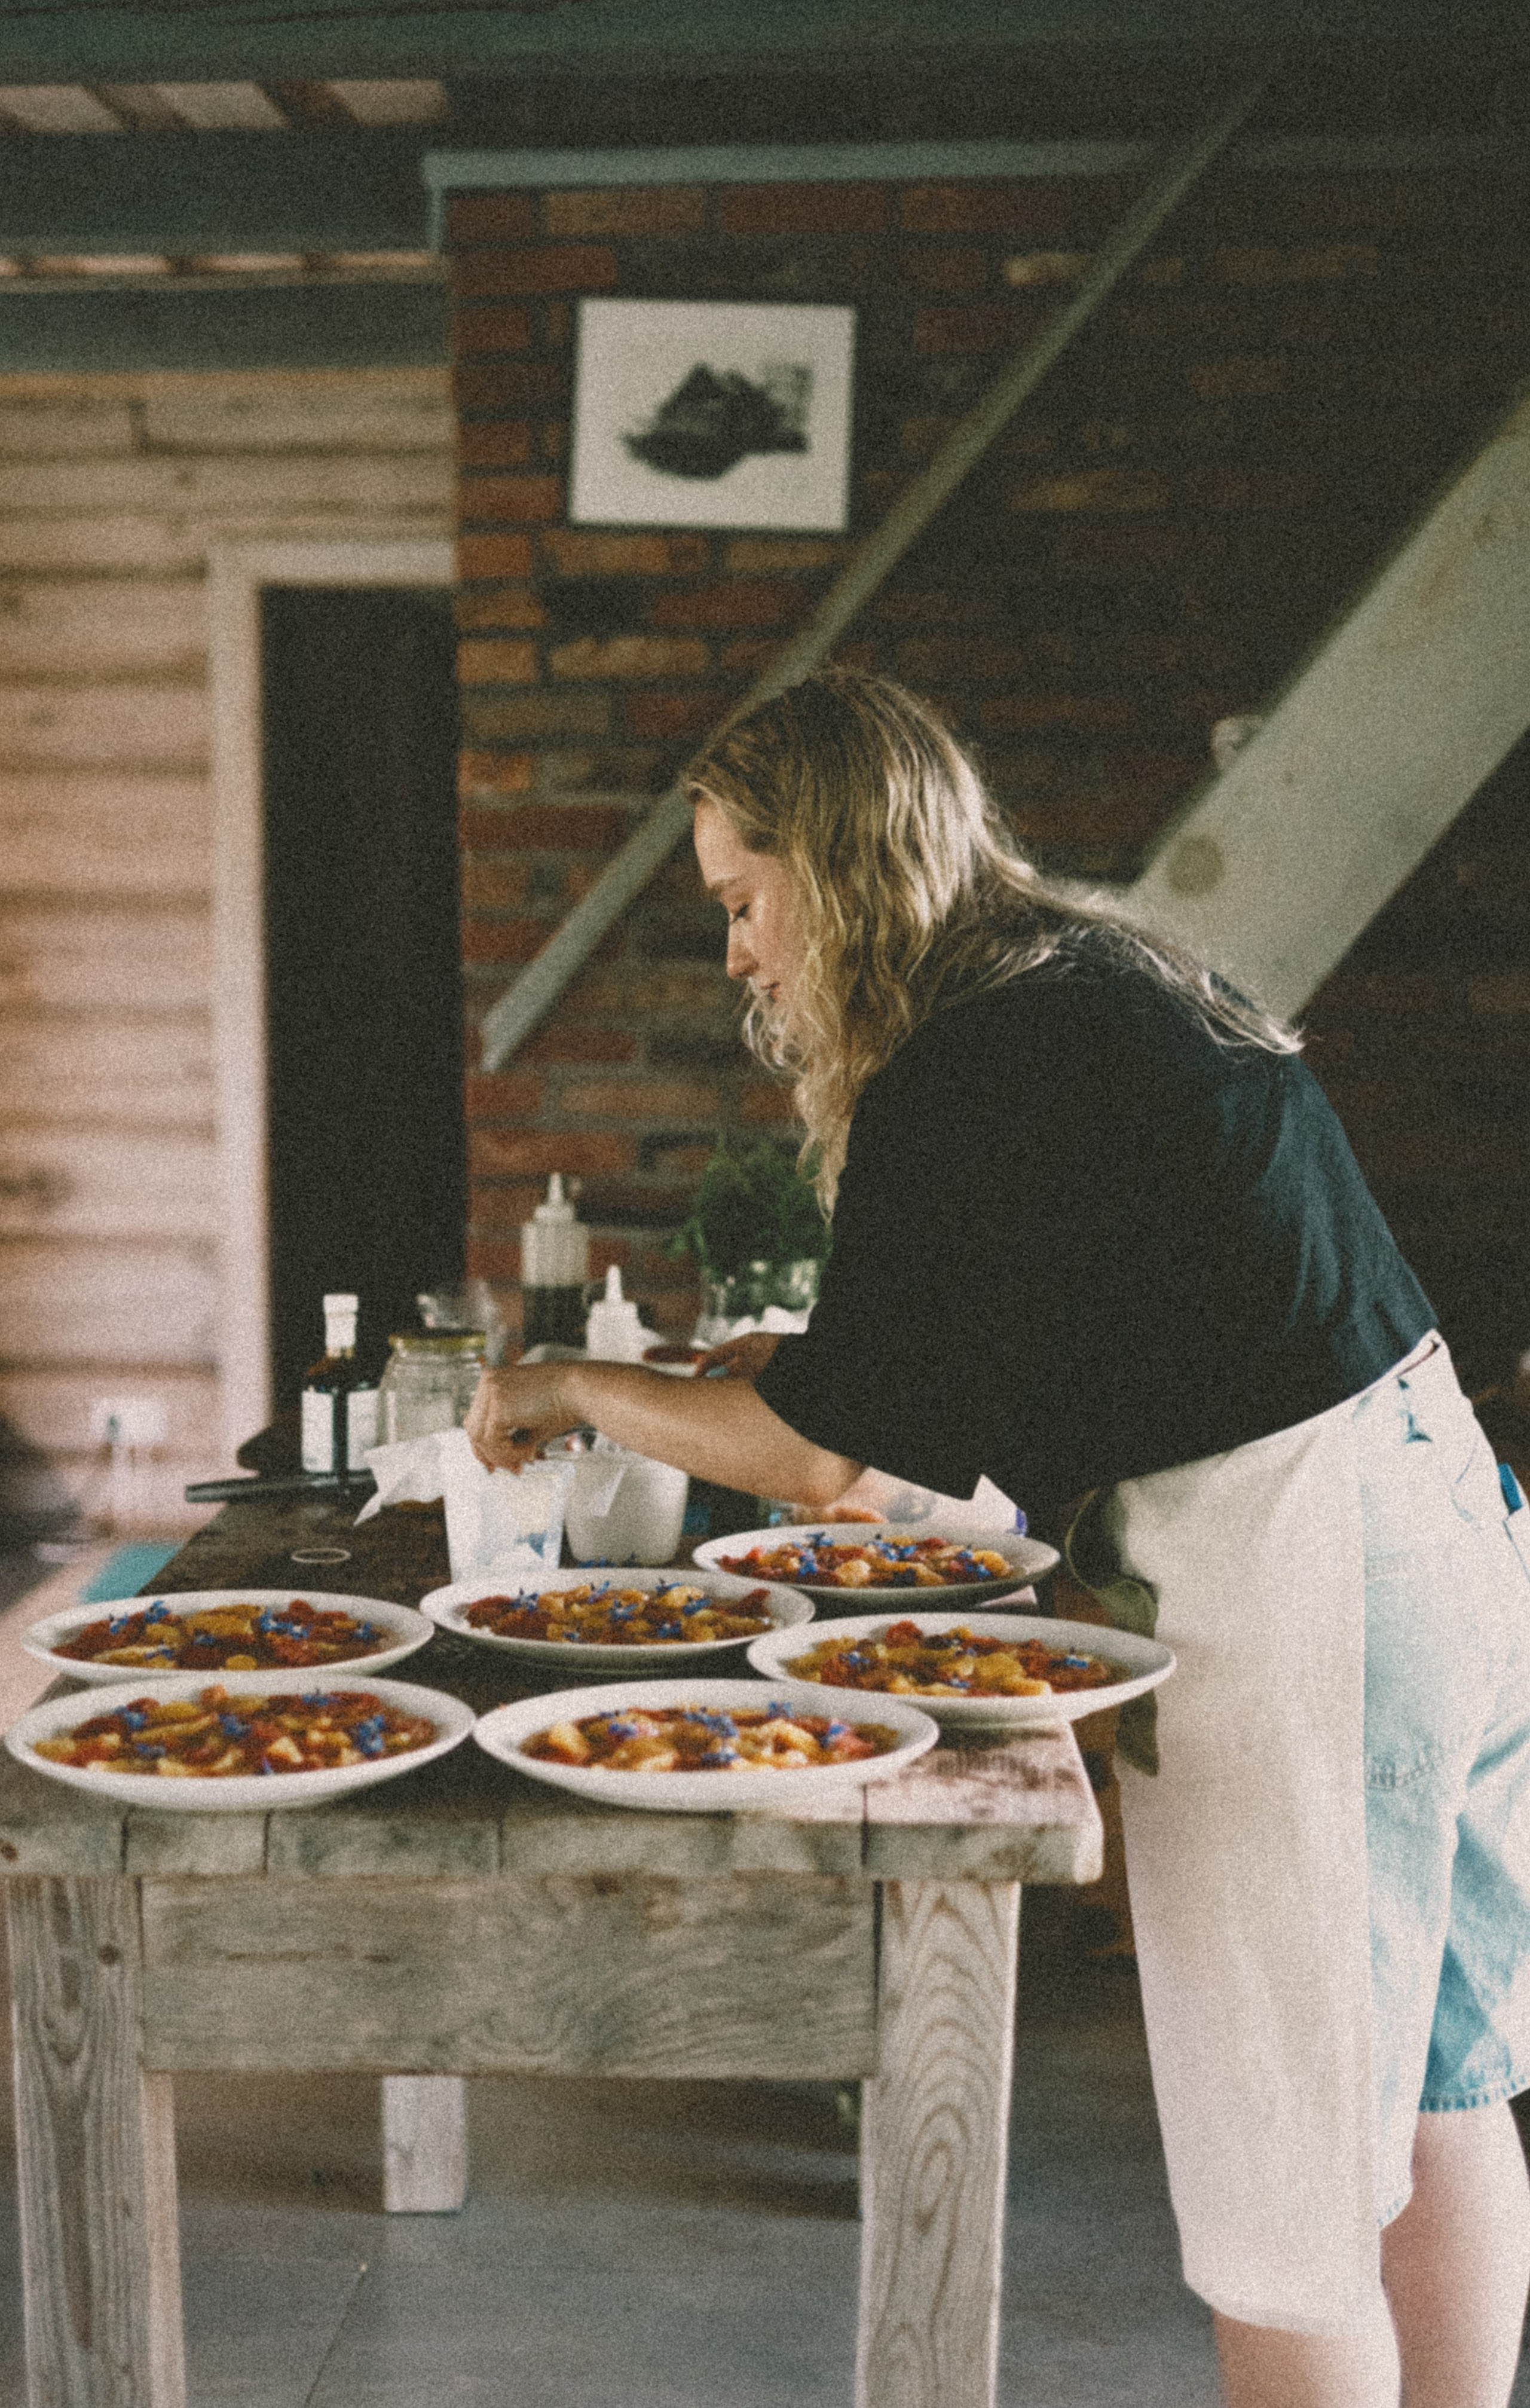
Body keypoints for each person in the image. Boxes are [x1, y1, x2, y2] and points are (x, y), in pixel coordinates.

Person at [466, 668, 1530, 2408]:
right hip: (1444, 1514)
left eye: (743, 900)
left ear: (828, 858)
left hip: (1307, 1574)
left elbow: (820, 1462)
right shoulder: (1088, 972)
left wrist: (579, 1380)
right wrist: (783, 1381)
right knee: (1443, 2083)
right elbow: (926, 1389)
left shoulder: (961, 1057)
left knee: (1286, 2197)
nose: (738, 954)